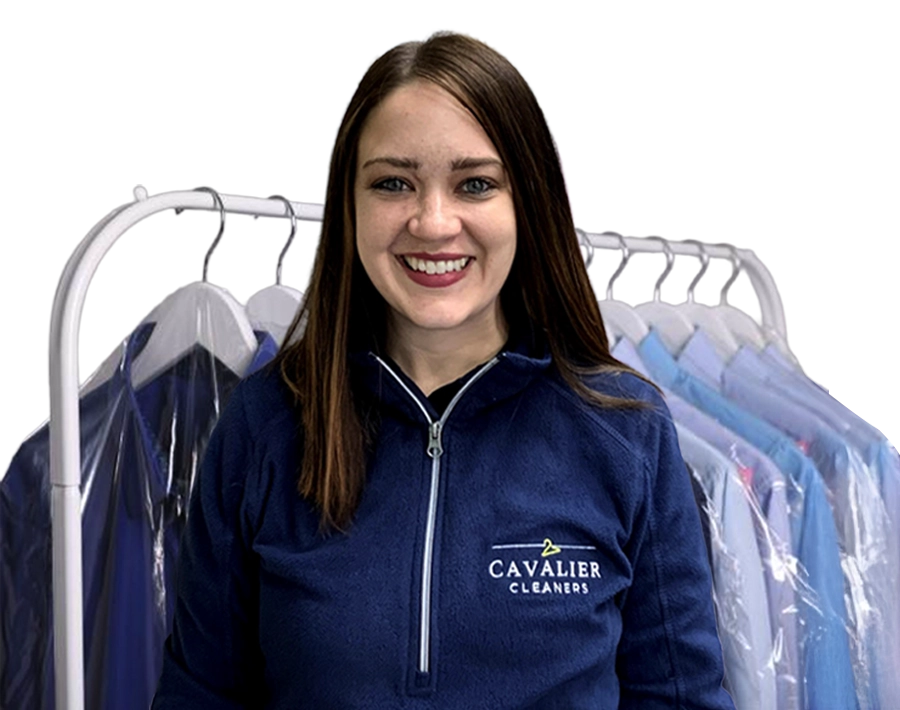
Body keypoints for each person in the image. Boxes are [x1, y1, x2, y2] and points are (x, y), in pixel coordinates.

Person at [152, 27, 736, 709]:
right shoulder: (262, 427)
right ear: (349, 205)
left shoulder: (626, 433)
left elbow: (682, 699)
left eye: (476, 184)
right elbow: (200, 697)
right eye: (394, 183)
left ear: (529, 204)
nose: (432, 223)